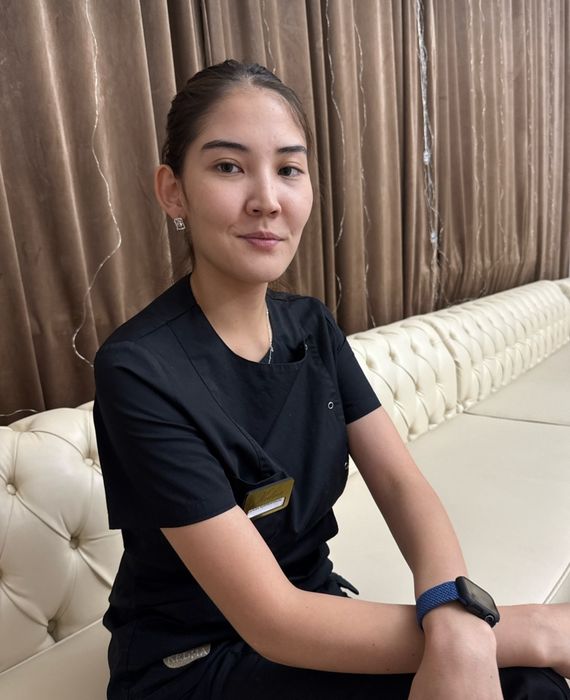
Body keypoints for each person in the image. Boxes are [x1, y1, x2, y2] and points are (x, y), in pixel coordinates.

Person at [93, 60, 570, 700]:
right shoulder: (139, 370)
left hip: (317, 609)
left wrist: (454, 610)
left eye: (289, 169)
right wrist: (528, 627)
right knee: (531, 680)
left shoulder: (311, 327)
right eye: (229, 167)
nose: (268, 199)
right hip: (195, 661)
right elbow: (272, 622)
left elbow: (400, 483)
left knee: (524, 680)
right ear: (173, 191)